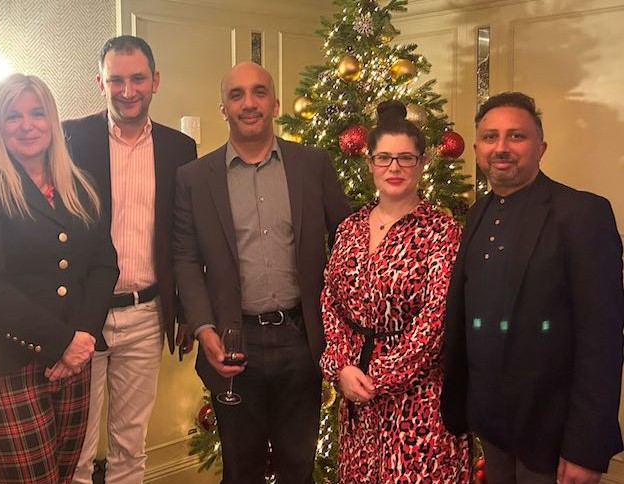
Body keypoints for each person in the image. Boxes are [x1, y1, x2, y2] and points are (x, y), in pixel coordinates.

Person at [173, 61, 350, 483]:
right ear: (223, 108)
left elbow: (348, 241)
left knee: (298, 467)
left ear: (275, 102)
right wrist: (203, 329)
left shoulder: (313, 164)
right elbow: (183, 258)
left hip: (301, 340)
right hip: (233, 343)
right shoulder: (194, 178)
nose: (248, 104)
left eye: (258, 92)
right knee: (241, 469)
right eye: (237, 95)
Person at [442, 92, 624, 484]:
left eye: (516, 137)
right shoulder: (476, 214)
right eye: (490, 137)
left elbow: (602, 341)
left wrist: (584, 449)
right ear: (476, 149)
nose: (501, 147)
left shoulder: (581, 214)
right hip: (489, 425)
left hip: (551, 433)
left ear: (541, 147)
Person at [0, 73, 118, 484]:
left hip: (76, 358)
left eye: (37, 113)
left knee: (65, 476)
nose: (27, 125)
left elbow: (104, 266)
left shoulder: (81, 184)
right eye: (13, 116)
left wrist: (83, 336)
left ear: (53, 121)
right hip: (8, 362)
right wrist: (62, 342)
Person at [62, 35, 197, 484]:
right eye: (116, 79)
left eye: (137, 78)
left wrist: (184, 308)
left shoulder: (180, 149)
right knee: (76, 450)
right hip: (83, 316)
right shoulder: (70, 139)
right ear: (99, 82)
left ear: (154, 80)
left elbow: (182, 236)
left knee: (130, 448)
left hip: (147, 312)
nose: (127, 89)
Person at [319, 101, 470, 482]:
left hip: (419, 399)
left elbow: (435, 322)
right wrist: (341, 368)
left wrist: (376, 377)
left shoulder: (441, 232)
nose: (395, 168)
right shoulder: (350, 228)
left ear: (421, 164)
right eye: (384, 157)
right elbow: (330, 300)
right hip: (355, 393)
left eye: (406, 158)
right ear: (369, 163)